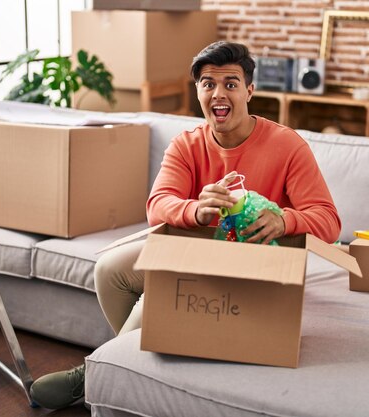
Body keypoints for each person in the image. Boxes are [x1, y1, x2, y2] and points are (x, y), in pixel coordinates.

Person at [29, 41, 341, 410]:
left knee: (157, 297)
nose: (218, 93)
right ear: (198, 92)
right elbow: (157, 205)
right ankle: (134, 370)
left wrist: (283, 219)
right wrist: (196, 211)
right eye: (208, 84)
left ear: (250, 91)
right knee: (109, 269)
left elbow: (328, 221)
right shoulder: (186, 145)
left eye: (230, 83)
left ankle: (93, 375)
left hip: (258, 264)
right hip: (195, 252)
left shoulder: (288, 146)